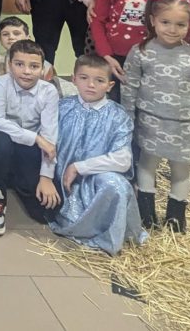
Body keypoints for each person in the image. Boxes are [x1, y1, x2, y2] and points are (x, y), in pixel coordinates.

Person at [123, 0, 190, 233]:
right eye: (166, 22)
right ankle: (147, 215)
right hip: (150, 121)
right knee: (146, 165)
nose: (172, 30)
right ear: (153, 21)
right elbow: (129, 87)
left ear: (189, 26)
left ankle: (176, 219)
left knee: (181, 170)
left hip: (185, 125)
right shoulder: (140, 52)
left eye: (180, 25)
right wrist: (127, 119)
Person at [49, 55, 147, 255]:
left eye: (99, 80)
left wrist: (79, 167)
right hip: (62, 183)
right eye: (84, 78)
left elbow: (123, 159)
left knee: (116, 185)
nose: (91, 85)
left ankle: (108, 239)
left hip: (97, 178)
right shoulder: (62, 108)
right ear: (74, 79)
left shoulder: (117, 116)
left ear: (110, 86)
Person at [0, 39, 61, 235]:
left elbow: (49, 137)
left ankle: (19, 181)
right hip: (6, 144)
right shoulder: (3, 83)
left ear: (42, 69)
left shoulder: (49, 91)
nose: (26, 71)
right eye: (19, 64)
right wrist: (35, 138)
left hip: (30, 150)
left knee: (45, 213)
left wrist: (46, 177)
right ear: (10, 66)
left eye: (34, 66)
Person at [0, 17, 58, 91]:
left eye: (16, 33)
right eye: (5, 34)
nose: (11, 37)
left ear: (28, 37)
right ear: (0, 40)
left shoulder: (45, 66)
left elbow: (54, 95)